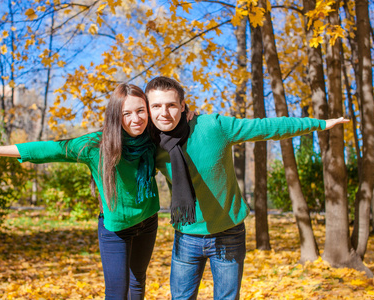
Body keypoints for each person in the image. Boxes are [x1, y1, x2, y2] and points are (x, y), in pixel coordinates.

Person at [144, 76, 350, 300]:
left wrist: (319, 124)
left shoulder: (214, 126)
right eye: (156, 106)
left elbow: (267, 127)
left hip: (228, 233)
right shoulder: (151, 145)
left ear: (183, 106)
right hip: (186, 235)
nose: (164, 112)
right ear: (148, 109)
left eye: (171, 105)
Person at [0, 83, 159, 300]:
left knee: (138, 281)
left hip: (148, 221)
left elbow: (180, 124)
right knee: (117, 294)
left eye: (140, 110)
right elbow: (49, 149)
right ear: (115, 116)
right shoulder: (96, 145)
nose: (136, 118)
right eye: (126, 113)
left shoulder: (154, 138)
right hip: (116, 228)